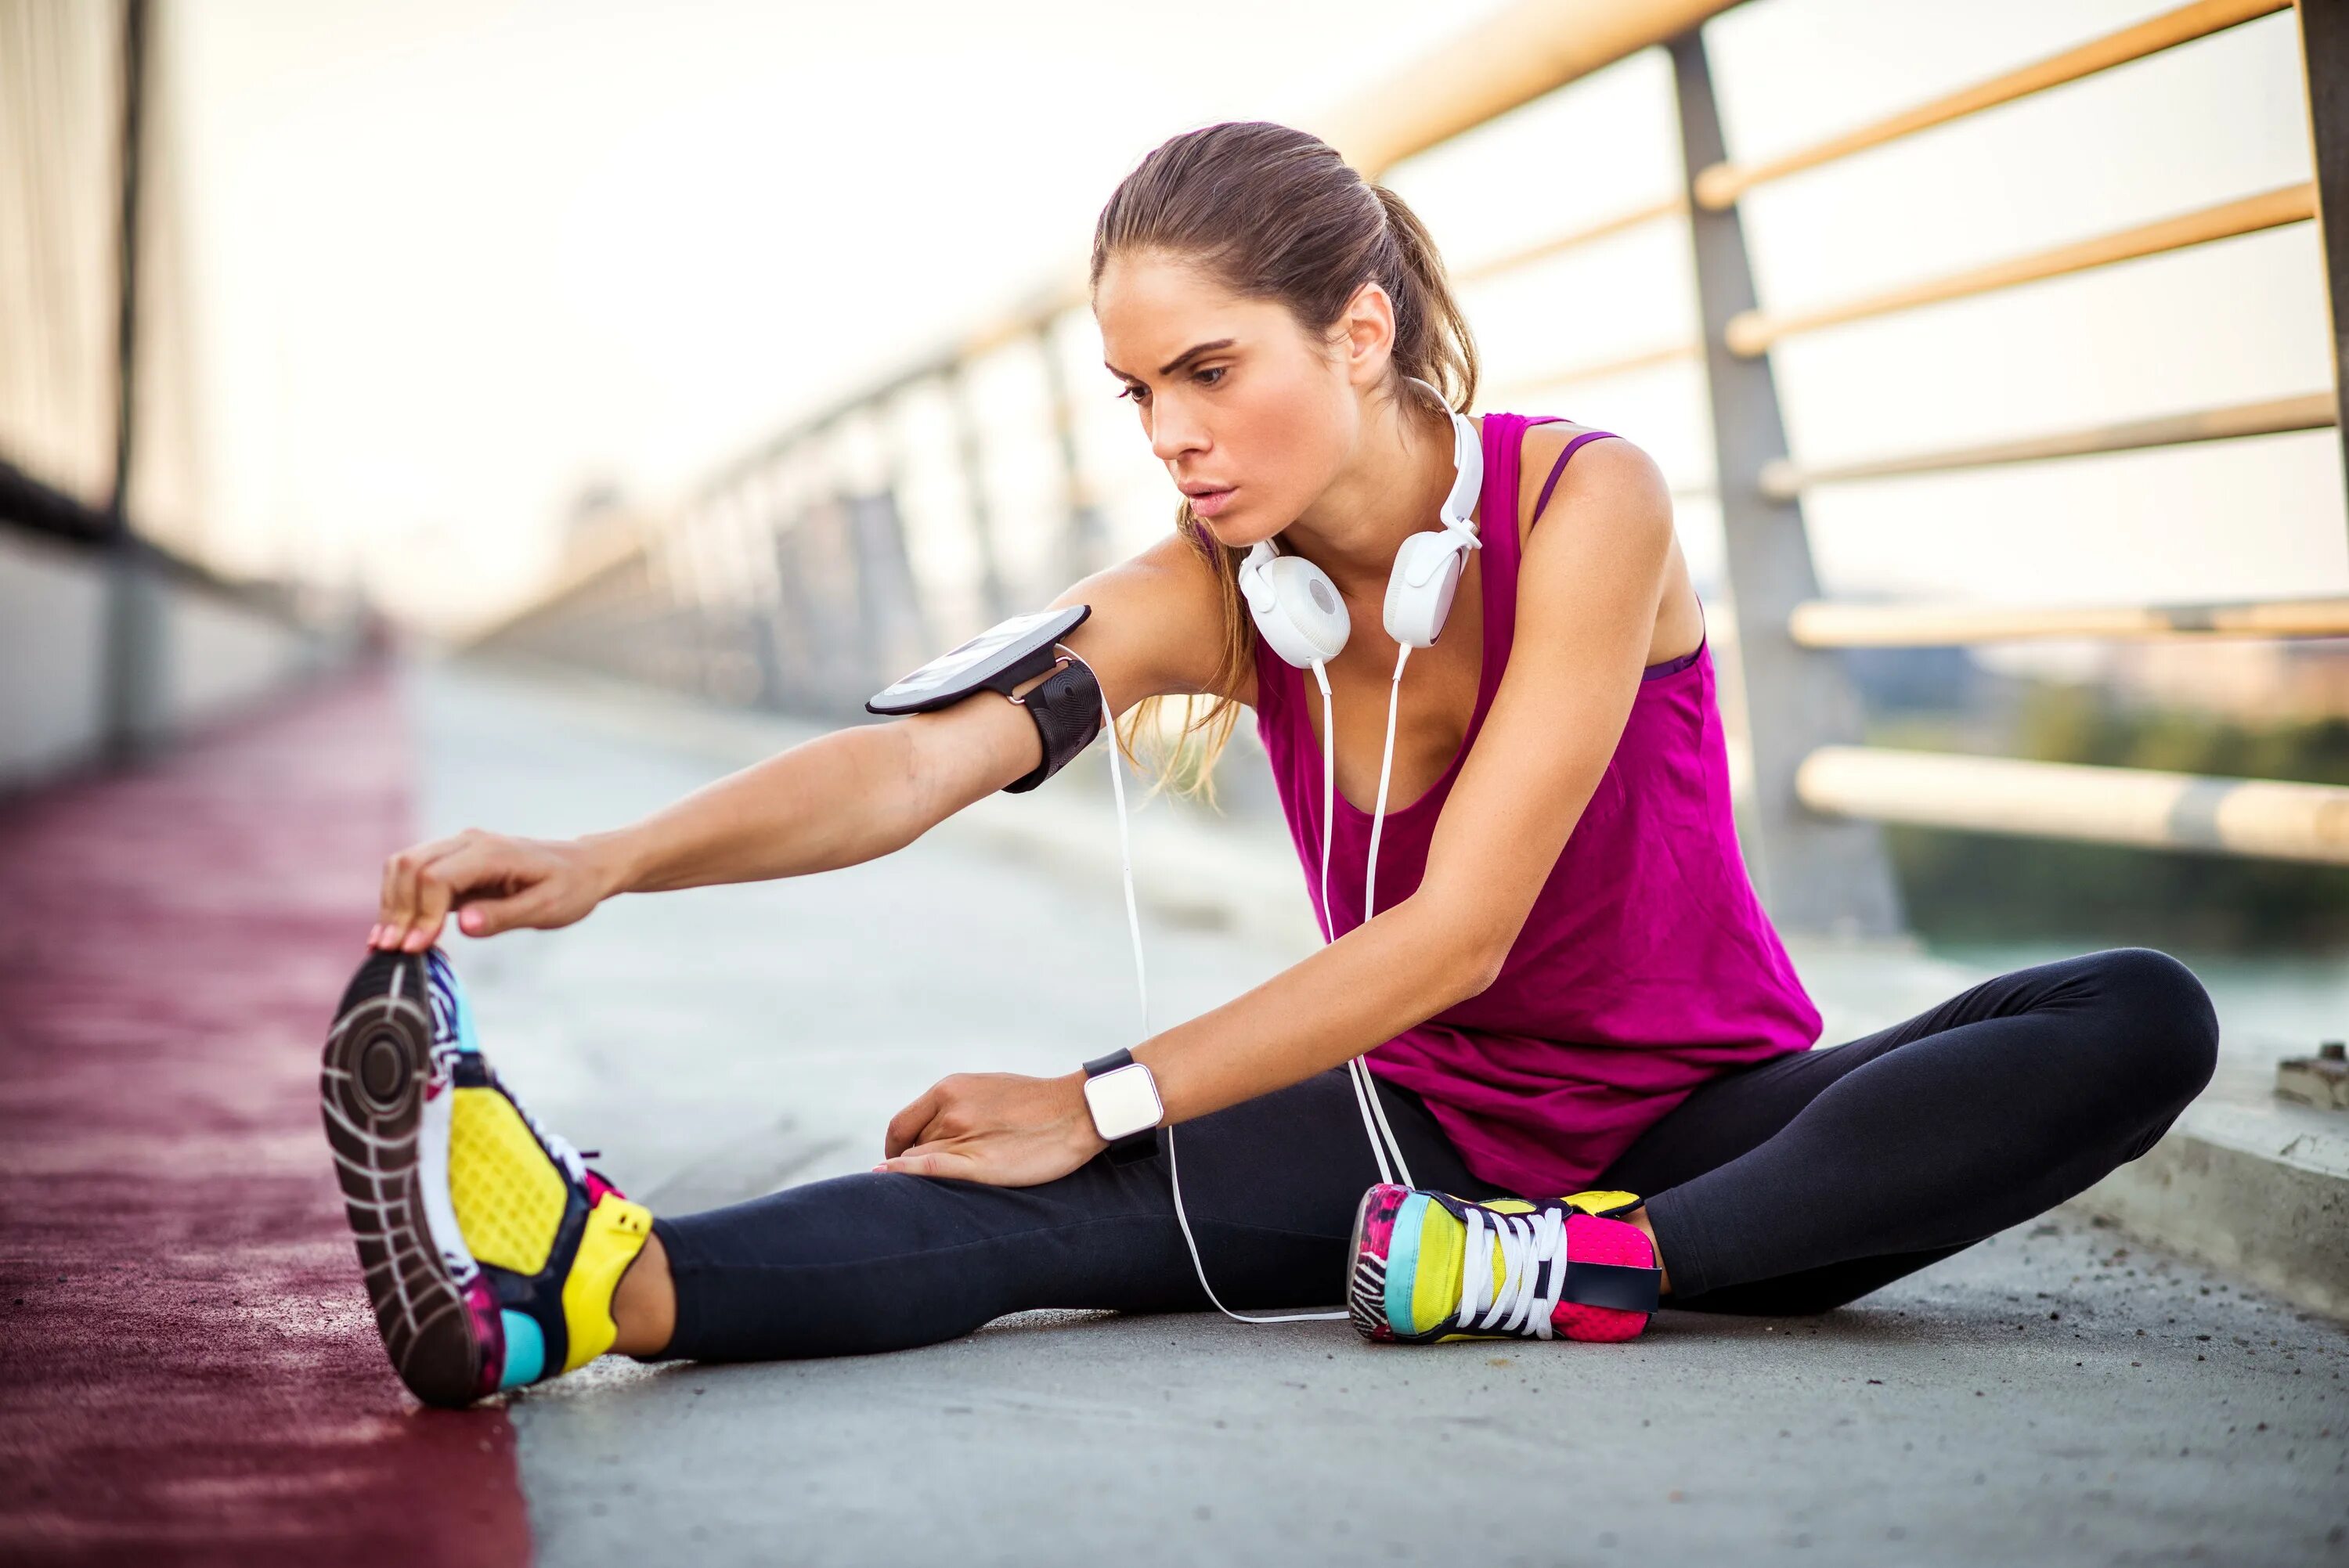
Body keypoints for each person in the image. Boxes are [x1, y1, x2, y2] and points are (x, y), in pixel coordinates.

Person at [319, 121, 2220, 1409]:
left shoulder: (1590, 507)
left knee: (2135, 1012)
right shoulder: (1217, 593)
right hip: (1421, 1152)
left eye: (1212, 372)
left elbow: (1466, 931)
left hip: (1712, 1137)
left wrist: (1114, 1091)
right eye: (1141, 393)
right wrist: (606, 860)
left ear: (1363, 328)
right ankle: (578, 1289)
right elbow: (908, 773)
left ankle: (1592, 1264)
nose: (1174, 436)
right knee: (1023, 1211)